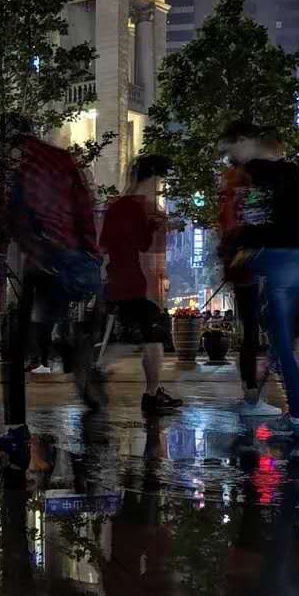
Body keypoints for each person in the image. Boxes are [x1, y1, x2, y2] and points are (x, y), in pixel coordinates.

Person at [222, 124, 299, 438]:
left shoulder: (255, 177)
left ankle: (298, 417)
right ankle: (270, 400)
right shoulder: (294, 176)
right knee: (279, 336)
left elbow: (252, 220)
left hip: (273, 263)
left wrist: (242, 250)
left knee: (281, 342)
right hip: (298, 260)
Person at [8, 122, 103, 407]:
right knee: (86, 305)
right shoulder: (61, 160)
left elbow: (18, 215)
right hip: (71, 249)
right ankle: (71, 349)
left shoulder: (23, 169)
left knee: (43, 312)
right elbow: (83, 205)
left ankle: (56, 346)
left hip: (42, 255)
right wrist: (90, 247)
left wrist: (31, 248)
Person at [99, 155, 184, 415]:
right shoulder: (141, 208)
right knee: (151, 338)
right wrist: (156, 226)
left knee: (140, 337)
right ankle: (148, 392)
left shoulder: (116, 206)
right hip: (138, 283)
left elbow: (104, 244)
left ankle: (150, 391)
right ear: (154, 178)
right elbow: (144, 244)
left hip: (119, 279)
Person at [218, 121, 275, 415]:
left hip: (242, 259)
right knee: (259, 326)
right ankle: (253, 393)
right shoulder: (247, 177)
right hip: (253, 258)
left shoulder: (234, 178)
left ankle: (252, 392)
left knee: (253, 327)